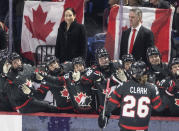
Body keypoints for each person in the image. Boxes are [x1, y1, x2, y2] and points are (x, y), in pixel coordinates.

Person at [98, 61, 165, 131]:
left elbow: (111, 104)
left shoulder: (123, 86)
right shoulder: (152, 87)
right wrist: (166, 94)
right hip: (142, 128)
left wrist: (105, 115)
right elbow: (158, 107)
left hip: (124, 128)